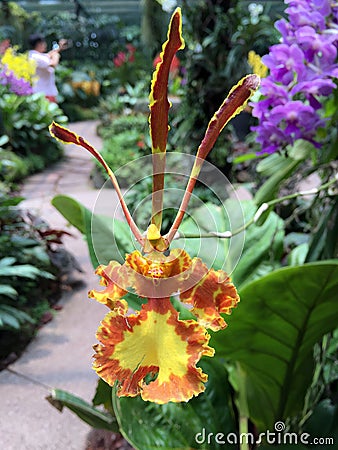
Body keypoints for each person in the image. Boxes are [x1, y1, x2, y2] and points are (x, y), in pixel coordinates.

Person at [28, 33, 67, 103]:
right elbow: (53, 63)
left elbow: (49, 55)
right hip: (44, 94)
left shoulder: (34, 55)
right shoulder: (36, 57)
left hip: (42, 92)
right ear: (39, 44)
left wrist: (59, 47)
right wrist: (56, 55)